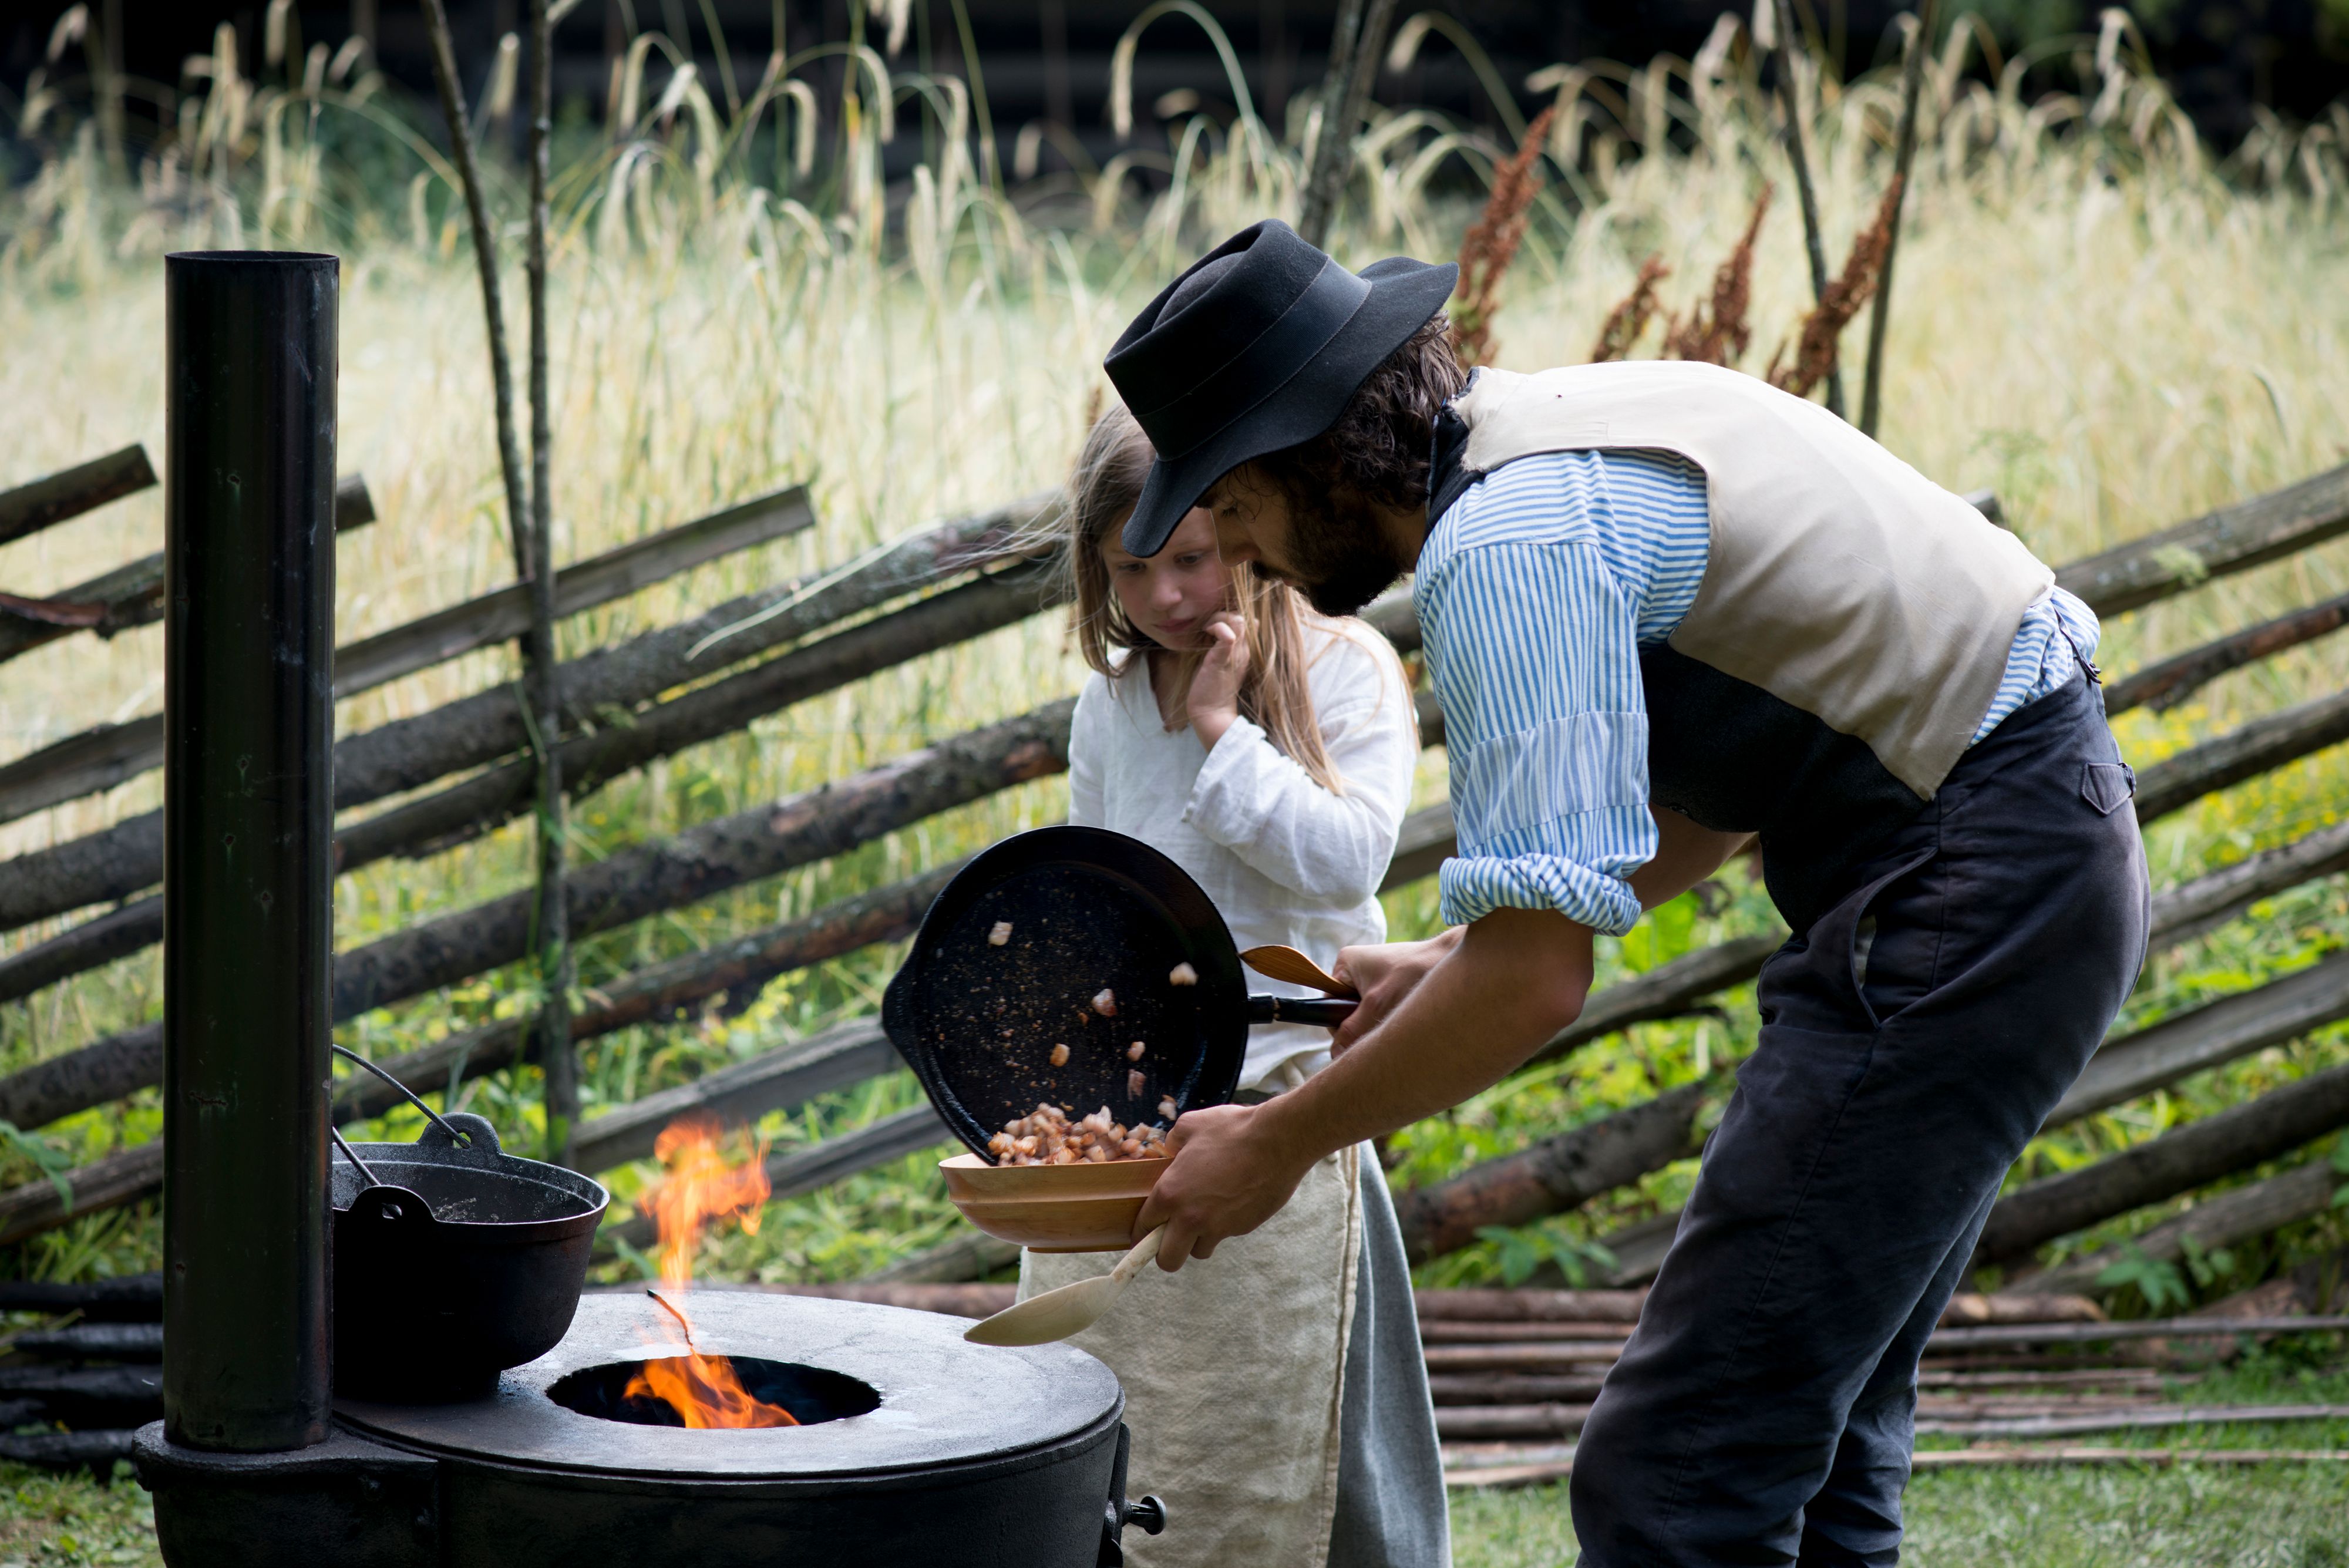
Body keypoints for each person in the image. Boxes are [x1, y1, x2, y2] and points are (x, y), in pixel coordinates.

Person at [1112, 220, 2151, 1565]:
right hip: (2023, 853)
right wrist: (1446, 959)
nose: (1245, 557)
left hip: (1969, 888)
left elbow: (1538, 982)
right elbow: (1722, 792)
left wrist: (1273, 1142)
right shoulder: (1559, 431)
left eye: (1238, 509)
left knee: (1679, 1467)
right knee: (1808, 1447)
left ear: (1305, 458)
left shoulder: (1503, 547)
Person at [1019, 402, 1449, 1567]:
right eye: (1134, 568)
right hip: (1142, 1102)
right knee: (1127, 1412)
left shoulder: (1341, 664)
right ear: (1097, 571)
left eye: (1192, 558)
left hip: (1291, 1095)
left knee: (1302, 1424)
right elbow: (1099, 884)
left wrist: (1222, 731)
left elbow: (1346, 859)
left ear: (1244, 536)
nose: (1167, 594)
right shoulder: (1110, 704)